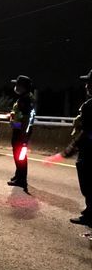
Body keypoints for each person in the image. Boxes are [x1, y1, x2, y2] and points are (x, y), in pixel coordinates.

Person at [46, 69, 92, 226]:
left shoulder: (88, 107)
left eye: (89, 83)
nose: (86, 86)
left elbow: (85, 133)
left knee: (88, 185)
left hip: (88, 152)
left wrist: (66, 152)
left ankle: (90, 214)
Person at [7, 75, 36, 190]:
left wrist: (22, 133)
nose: (16, 87)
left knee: (20, 156)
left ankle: (21, 179)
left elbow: (26, 119)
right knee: (18, 155)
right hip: (21, 130)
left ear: (23, 87)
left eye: (17, 85)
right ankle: (18, 175)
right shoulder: (26, 97)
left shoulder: (25, 100)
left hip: (21, 132)